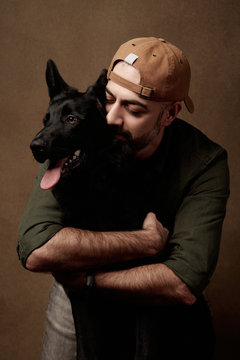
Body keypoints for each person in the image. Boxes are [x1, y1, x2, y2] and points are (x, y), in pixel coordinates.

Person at [17, 37, 229, 359]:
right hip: (79, 295)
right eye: (109, 99)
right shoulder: (80, 141)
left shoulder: (204, 162)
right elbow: (36, 249)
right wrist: (145, 242)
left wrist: (88, 280)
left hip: (155, 295)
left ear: (170, 114)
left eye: (133, 108)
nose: (112, 117)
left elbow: (182, 283)